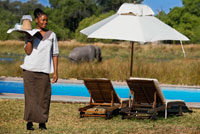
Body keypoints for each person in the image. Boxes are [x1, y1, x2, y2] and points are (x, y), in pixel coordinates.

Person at [20, 8, 59, 130]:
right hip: (30, 70)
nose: (45, 22)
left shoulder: (52, 35)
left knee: (44, 98)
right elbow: (28, 51)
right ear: (36, 20)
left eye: (46, 20)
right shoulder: (30, 33)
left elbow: (55, 54)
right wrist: (29, 38)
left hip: (44, 71)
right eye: (43, 20)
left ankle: (42, 122)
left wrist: (56, 72)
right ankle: (29, 122)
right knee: (30, 98)